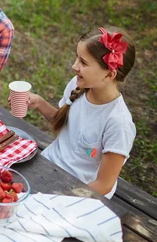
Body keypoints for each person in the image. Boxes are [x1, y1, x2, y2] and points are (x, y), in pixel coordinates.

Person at [27, 26, 136, 198]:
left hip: (78, 191)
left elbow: (104, 184)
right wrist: (39, 102)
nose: (74, 66)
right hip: (49, 167)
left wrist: (60, 196)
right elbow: (65, 124)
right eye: (77, 58)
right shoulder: (78, 85)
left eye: (83, 63)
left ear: (109, 75)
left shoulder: (118, 124)